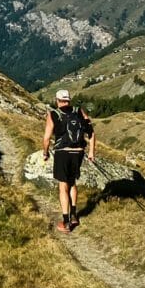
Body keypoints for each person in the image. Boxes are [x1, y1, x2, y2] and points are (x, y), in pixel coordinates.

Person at [42, 88, 95, 233]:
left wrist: (45, 153)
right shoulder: (79, 111)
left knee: (62, 186)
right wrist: (91, 152)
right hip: (78, 153)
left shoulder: (53, 114)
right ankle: (74, 216)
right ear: (69, 99)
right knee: (72, 183)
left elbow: (46, 138)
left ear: (57, 100)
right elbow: (91, 132)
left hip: (62, 153)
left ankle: (65, 222)